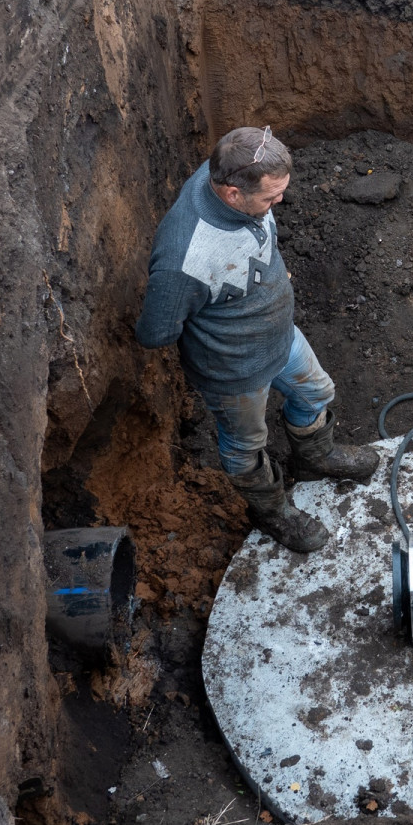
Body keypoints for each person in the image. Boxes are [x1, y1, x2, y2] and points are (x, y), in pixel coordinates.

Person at [135, 126, 377, 553]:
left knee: (317, 392)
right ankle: (272, 511)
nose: (278, 203)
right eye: (270, 198)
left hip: (280, 336)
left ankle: (315, 459)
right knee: (246, 448)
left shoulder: (238, 179)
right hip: (235, 370)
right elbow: (156, 332)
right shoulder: (184, 258)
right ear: (231, 194)